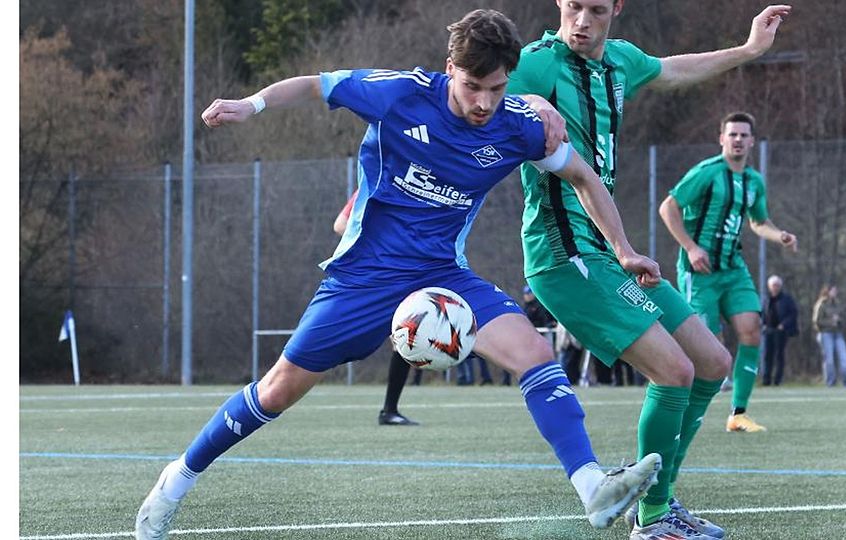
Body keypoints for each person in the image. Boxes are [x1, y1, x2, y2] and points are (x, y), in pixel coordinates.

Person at [135, 10, 665, 539]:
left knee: (534, 354)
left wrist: (623, 250)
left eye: (497, 88)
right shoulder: (402, 94)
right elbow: (316, 85)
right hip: (364, 277)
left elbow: (582, 177)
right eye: (473, 87)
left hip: (442, 275)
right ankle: (174, 482)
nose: (484, 102)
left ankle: (592, 486)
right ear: (448, 67)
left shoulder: (517, 124)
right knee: (276, 392)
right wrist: (250, 105)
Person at [507, 2, 791, 538]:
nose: (581, 21)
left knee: (710, 362)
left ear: (616, 8)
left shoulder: (620, 61)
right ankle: (655, 519)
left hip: (610, 253)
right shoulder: (537, 62)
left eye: (595, 9)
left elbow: (675, 69)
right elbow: (474, 86)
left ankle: (658, 509)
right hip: (564, 255)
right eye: (572, 7)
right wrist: (520, 104)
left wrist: (750, 49)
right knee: (675, 370)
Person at [659, 110, 798, 435]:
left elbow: (758, 221)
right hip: (700, 273)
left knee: (751, 331)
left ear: (752, 141)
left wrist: (780, 235)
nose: (737, 140)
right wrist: (691, 248)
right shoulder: (707, 173)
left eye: (743, 135)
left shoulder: (754, 181)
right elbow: (668, 207)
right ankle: (678, 406)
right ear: (722, 138)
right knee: (711, 350)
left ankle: (738, 414)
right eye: (732, 134)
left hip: (733, 269)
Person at [335, 191, 419, 425]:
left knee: (403, 337)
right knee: (336, 339)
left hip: (403, 276)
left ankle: (389, 410)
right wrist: (377, 243)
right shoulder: (375, 183)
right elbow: (340, 225)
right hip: (370, 276)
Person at [761, 275, 797, 386]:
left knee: (779, 356)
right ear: (769, 287)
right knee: (767, 355)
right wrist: (763, 324)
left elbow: (793, 314)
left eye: (777, 285)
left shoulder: (787, 299)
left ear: (780, 286)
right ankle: (766, 380)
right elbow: (762, 313)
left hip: (781, 331)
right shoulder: (766, 299)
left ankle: (778, 380)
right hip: (768, 331)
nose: (775, 287)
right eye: (773, 285)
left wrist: (784, 324)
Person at [812, 285, 846, 387]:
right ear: (827, 291)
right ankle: (830, 382)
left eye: (836, 290)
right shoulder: (822, 304)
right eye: (833, 290)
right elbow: (817, 321)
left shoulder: (838, 304)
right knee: (829, 360)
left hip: (838, 333)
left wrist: (839, 320)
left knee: (844, 358)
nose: (835, 292)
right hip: (825, 334)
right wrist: (830, 322)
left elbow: (844, 318)